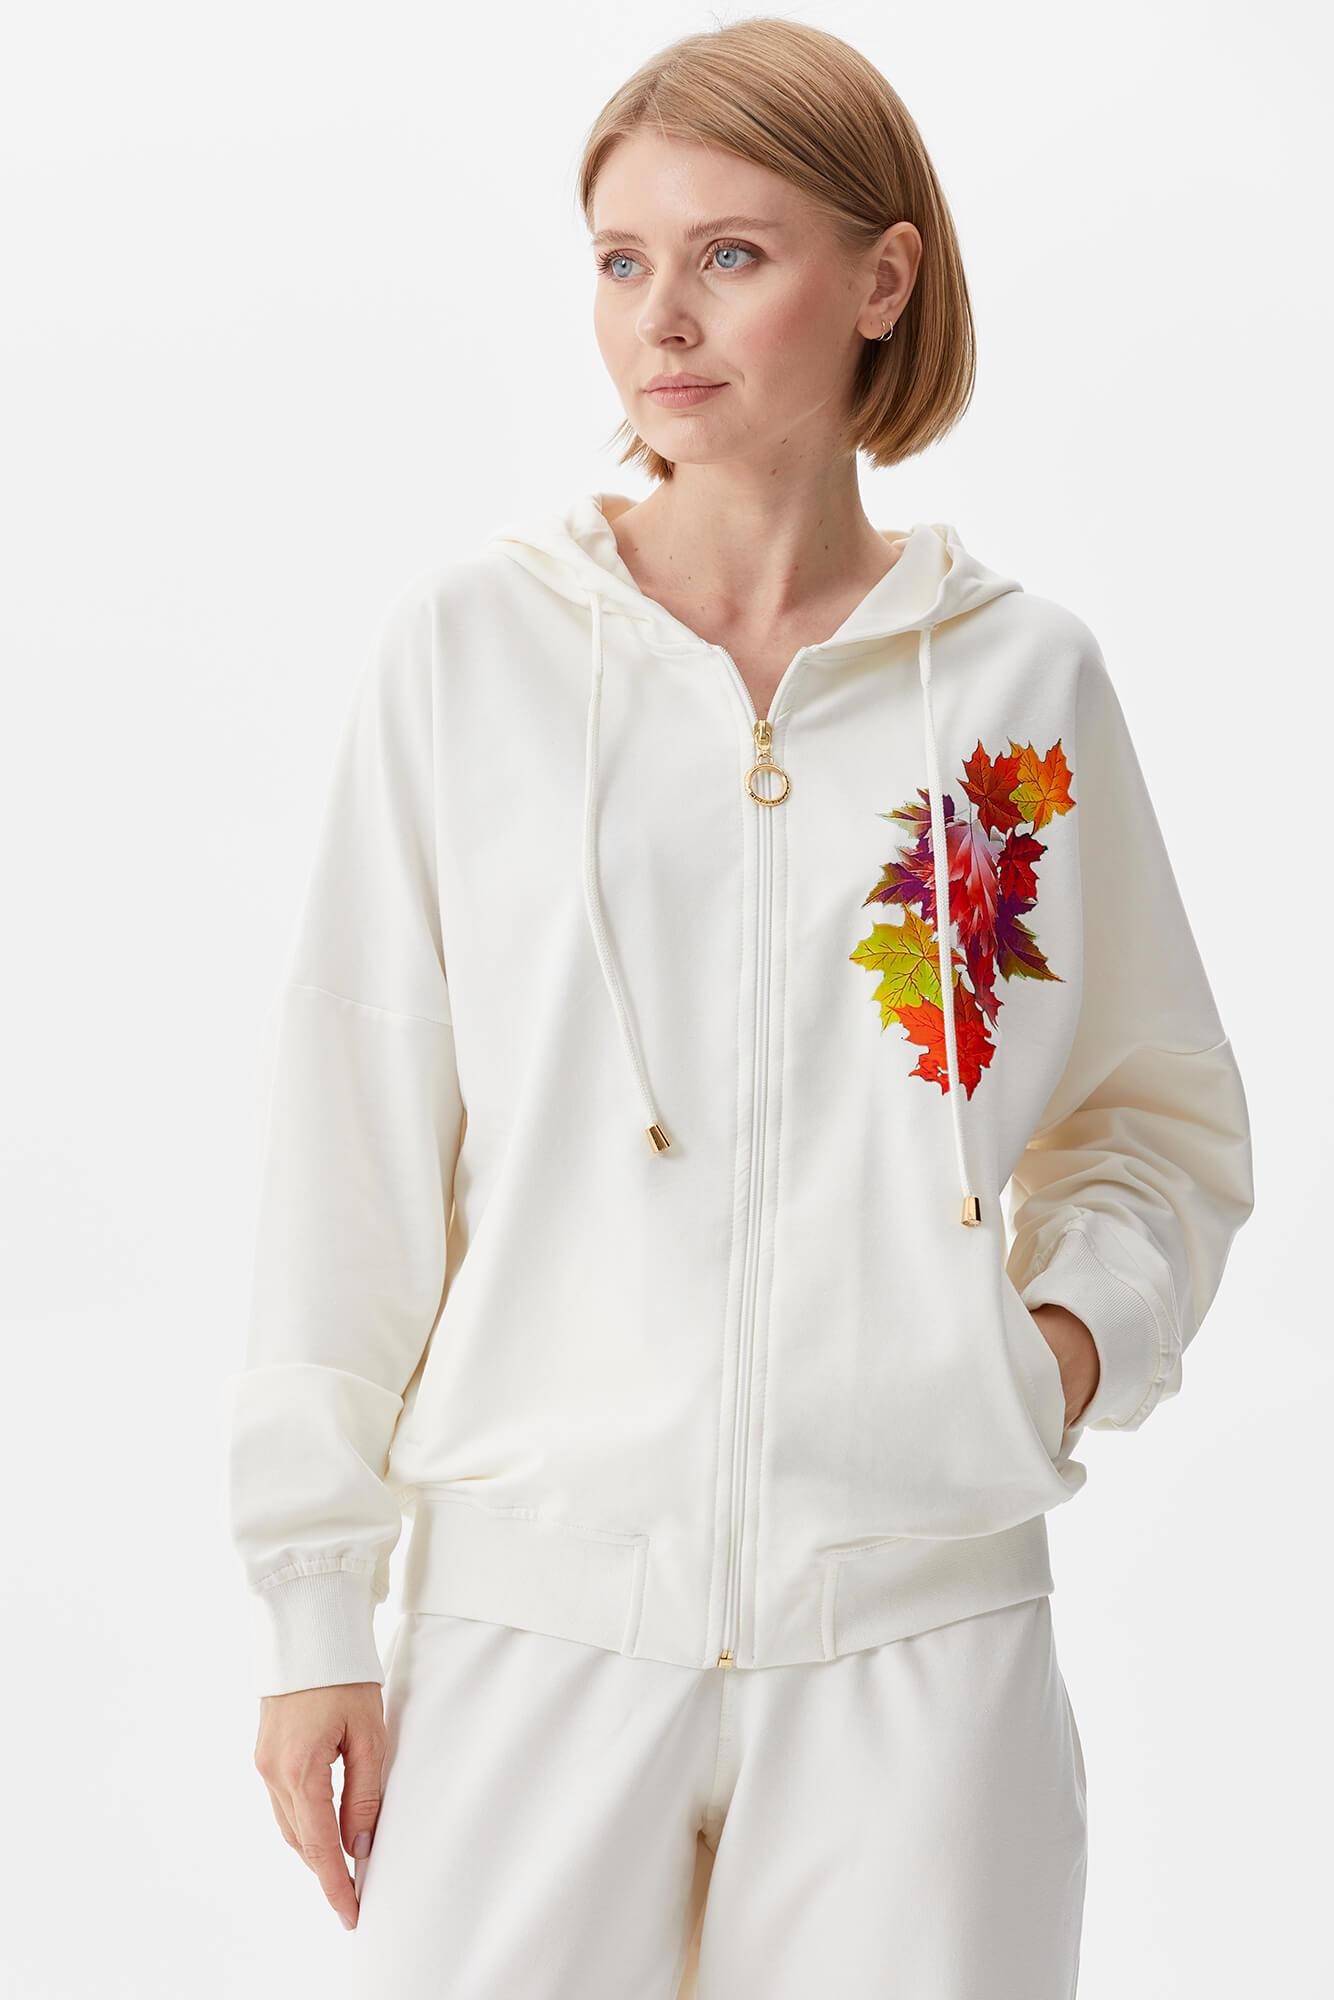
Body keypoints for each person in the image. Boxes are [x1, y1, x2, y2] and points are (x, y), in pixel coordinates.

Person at [227, 17, 1255, 1997]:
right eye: (621, 260)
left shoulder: (1019, 690)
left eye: (728, 254)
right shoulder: (471, 657)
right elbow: (351, 1141)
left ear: (881, 279)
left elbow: (1155, 1113)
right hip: (533, 1633)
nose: (660, 319)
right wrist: (313, 1608)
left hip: (920, 1642)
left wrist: (1050, 1353)